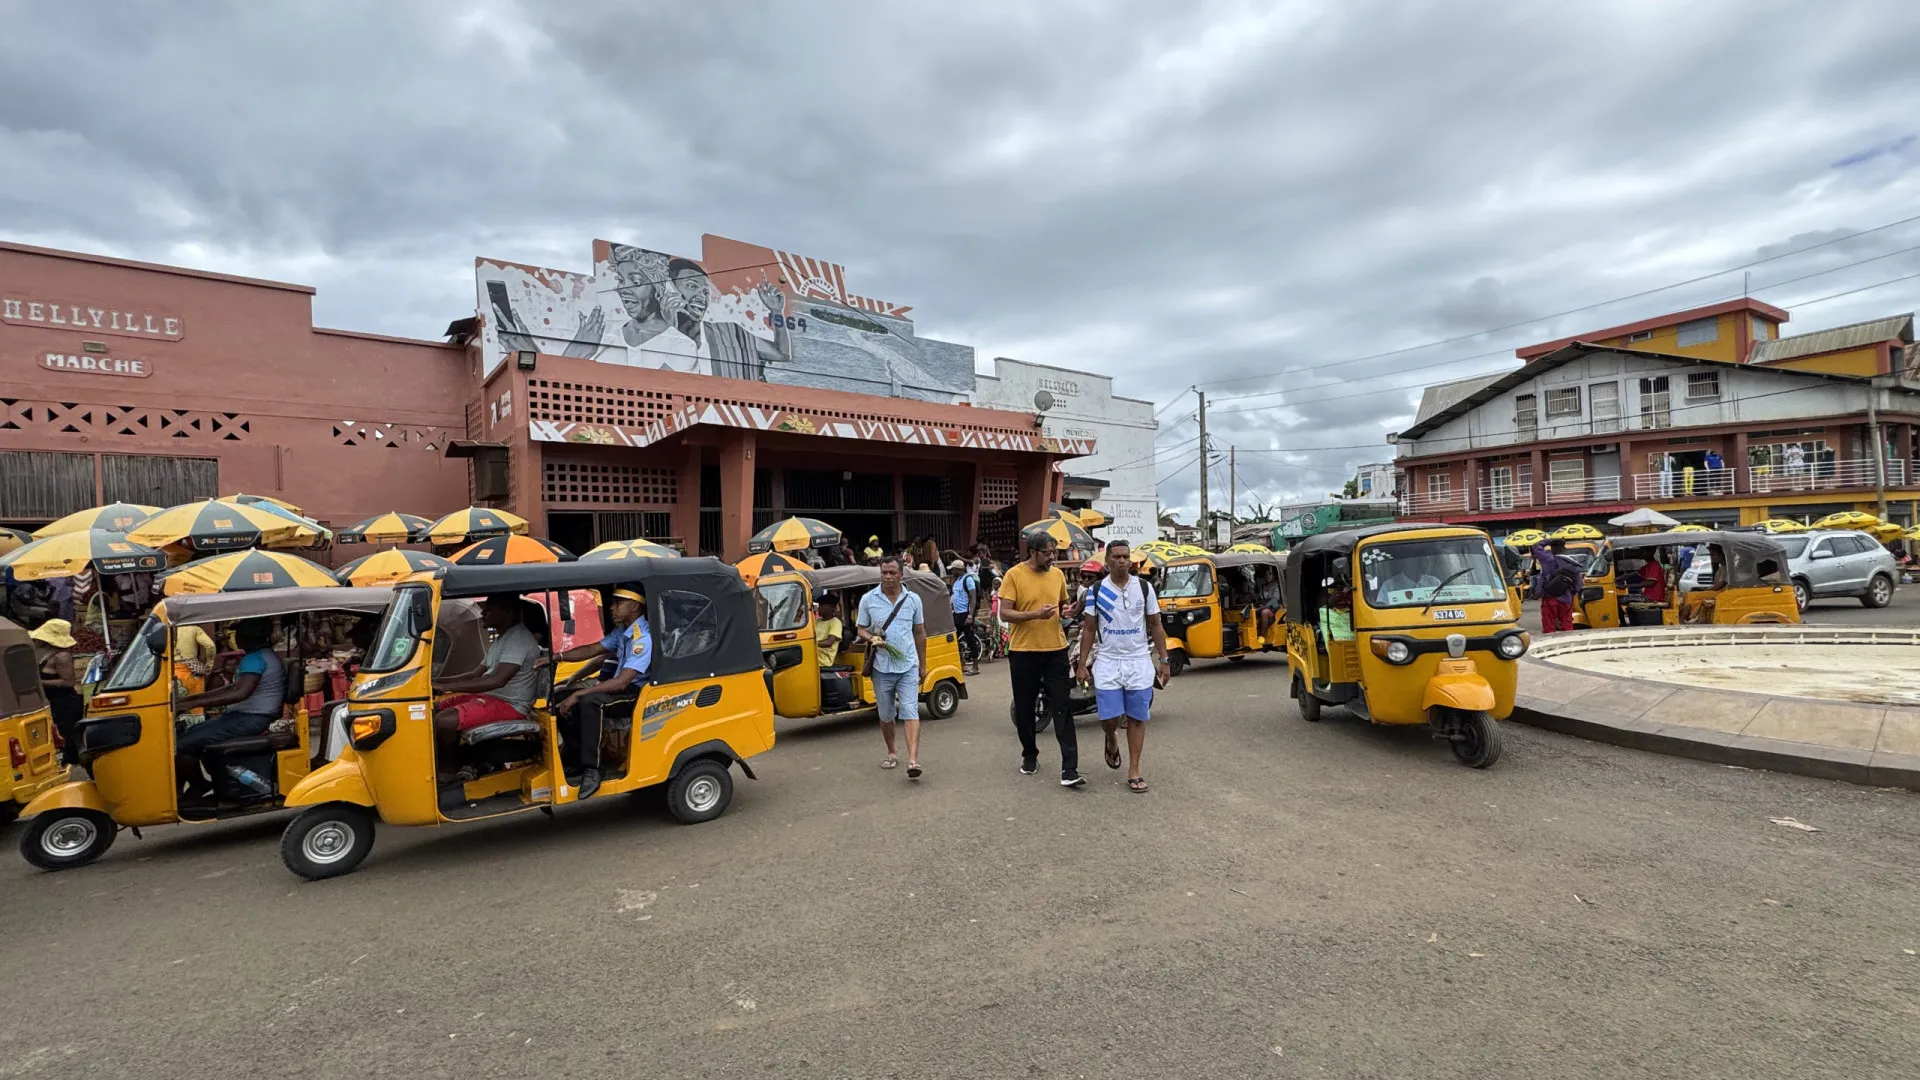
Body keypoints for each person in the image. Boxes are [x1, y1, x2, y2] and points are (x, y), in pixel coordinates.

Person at [1074, 540, 1169, 793]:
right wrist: (1082, 664)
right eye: (1116, 556)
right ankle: (1110, 737)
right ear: (1107, 561)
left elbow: (1156, 625)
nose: (1121, 560)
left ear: (1131, 560)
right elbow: (1090, 629)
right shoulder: (1096, 591)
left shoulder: (1144, 588)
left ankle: (1134, 770)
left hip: (1138, 661)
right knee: (1109, 717)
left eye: (1125, 556)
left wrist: (1164, 659)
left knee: (1137, 718)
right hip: (1108, 661)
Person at [550, 587, 651, 799]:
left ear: (634, 606)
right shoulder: (622, 632)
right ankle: (577, 757)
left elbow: (622, 683)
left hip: (635, 694)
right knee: (558, 699)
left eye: (618, 603)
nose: (612, 608)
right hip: (618, 688)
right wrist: (557, 657)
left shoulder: (643, 639)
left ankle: (592, 768)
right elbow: (592, 650)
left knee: (590, 701)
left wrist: (577, 695)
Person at [430, 595, 543, 781]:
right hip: (492, 697)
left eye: (489, 609)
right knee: (433, 709)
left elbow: (498, 680)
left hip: (510, 705)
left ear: (507, 613)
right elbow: (475, 675)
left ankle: (446, 775)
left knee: (444, 722)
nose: (483, 613)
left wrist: (445, 687)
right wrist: (435, 681)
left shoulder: (517, 640)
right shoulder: (500, 640)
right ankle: (456, 762)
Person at [1001, 533, 1081, 786]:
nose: (1052, 557)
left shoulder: (1057, 575)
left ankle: (1069, 769)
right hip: (1024, 652)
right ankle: (1030, 755)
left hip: (1056, 650)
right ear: (1032, 552)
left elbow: (1063, 606)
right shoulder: (1014, 575)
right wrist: (1034, 614)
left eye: (1053, 552)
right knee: (1025, 708)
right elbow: (1005, 613)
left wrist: (1068, 610)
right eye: (1047, 553)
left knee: (1063, 705)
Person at [174, 619, 286, 801]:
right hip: (246, 716)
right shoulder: (262, 656)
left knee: (181, 745)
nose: (236, 639)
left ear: (247, 636)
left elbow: (240, 693)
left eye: (238, 635)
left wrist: (192, 703)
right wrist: (191, 700)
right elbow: (232, 688)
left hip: (251, 718)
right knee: (190, 734)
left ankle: (199, 784)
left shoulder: (254, 658)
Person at [856, 556, 927, 779]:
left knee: (910, 710)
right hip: (881, 667)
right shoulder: (868, 599)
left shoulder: (913, 600)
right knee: (886, 714)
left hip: (907, 664)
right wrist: (871, 638)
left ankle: (913, 760)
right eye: (884, 573)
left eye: (892, 573)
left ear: (901, 575)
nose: (887, 577)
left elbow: (919, 632)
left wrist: (923, 665)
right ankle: (892, 752)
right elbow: (860, 629)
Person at [30, 619, 84, 767]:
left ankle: (73, 764)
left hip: (65, 702)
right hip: (55, 701)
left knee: (69, 735)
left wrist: (40, 683)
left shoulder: (62, 656)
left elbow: (68, 681)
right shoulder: (50, 654)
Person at [1530, 540, 1585, 634]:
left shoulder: (1547, 559)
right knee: (1567, 626)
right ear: (1564, 549)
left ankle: (1550, 646)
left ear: (1551, 549)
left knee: (1549, 626)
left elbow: (1536, 545)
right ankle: (1567, 645)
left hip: (1549, 598)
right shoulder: (1574, 564)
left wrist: (1551, 539)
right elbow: (1578, 587)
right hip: (1566, 599)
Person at [947, 560, 980, 676]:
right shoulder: (957, 582)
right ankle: (962, 664)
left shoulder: (968, 580)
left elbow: (973, 598)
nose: (952, 571)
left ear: (959, 570)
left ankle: (975, 666)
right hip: (957, 614)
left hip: (966, 614)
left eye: (953, 569)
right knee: (954, 639)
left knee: (970, 639)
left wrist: (970, 615)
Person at [814, 593, 844, 668]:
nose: (818, 608)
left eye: (821, 605)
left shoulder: (835, 622)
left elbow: (829, 642)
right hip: (814, 655)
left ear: (831, 607)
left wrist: (809, 645)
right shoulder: (817, 621)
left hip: (823, 660)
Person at [1253, 566, 1282, 643]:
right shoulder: (1263, 587)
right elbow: (1259, 598)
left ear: (1274, 576)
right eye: (1266, 574)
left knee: (1264, 612)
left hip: (1274, 608)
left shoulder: (1276, 586)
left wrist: (1265, 606)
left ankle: (1262, 636)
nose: (1267, 576)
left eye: (1270, 574)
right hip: (1263, 606)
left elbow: (1275, 599)